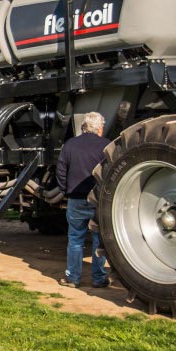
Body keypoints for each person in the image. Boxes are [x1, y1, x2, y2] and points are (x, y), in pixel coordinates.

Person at [56, 111, 112, 289]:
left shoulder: (70, 145)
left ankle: (73, 278)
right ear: (99, 128)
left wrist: (65, 190)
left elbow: (61, 170)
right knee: (98, 240)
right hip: (98, 200)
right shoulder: (106, 145)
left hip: (76, 199)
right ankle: (99, 278)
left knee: (75, 239)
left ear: (84, 127)